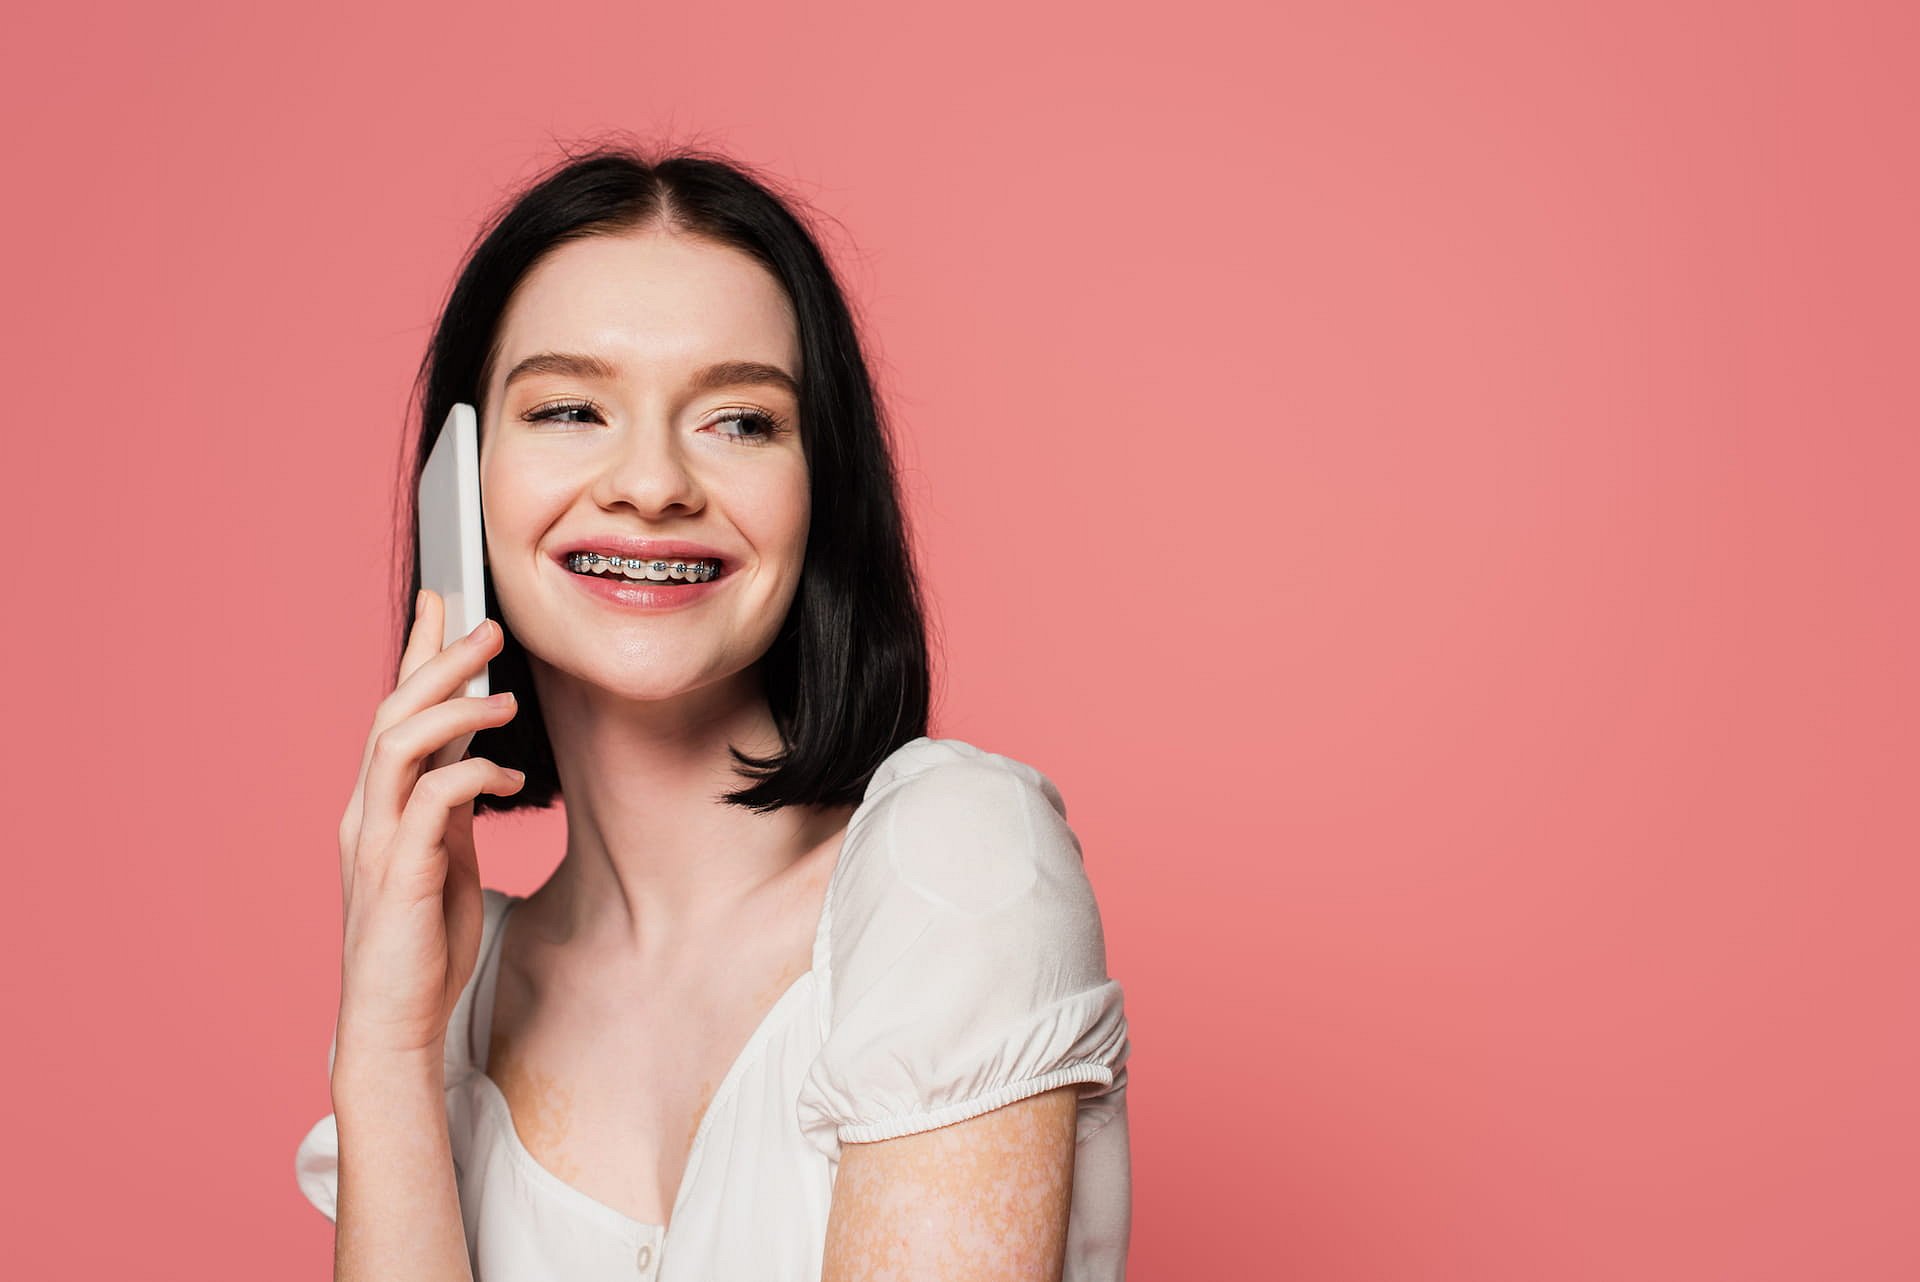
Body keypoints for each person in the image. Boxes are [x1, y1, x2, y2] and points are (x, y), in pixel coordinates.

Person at [294, 142, 1132, 1281]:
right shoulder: (448, 998)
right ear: (462, 483)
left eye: (739, 421)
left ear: (819, 493)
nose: (651, 483)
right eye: (570, 408)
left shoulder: (956, 863)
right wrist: (387, 1056)